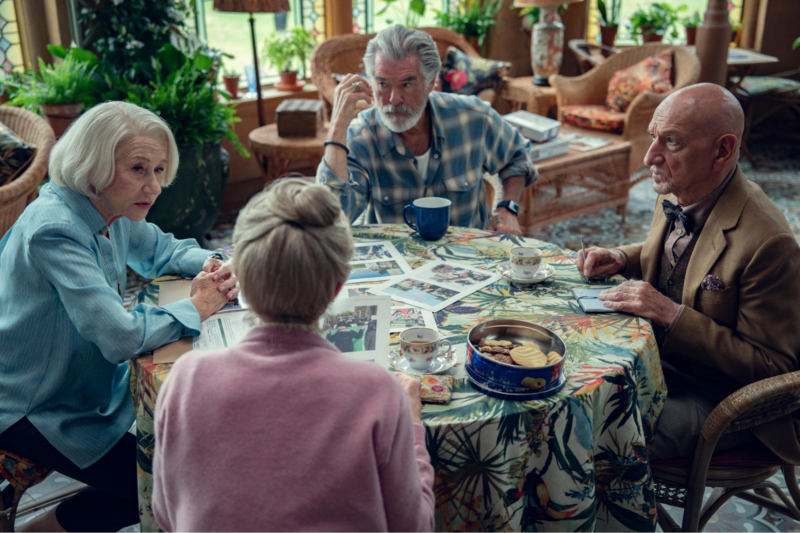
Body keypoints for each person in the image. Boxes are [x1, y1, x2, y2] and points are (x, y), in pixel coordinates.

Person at [0, 101, 238, 533]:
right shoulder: (56, 228)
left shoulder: (109, 205)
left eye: (160, 170)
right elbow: (120, 338)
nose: (155, 185)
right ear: (93, 165)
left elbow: (166, 251)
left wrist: (220, 263)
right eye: (139, 168)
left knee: (184, 454)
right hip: (34, 406)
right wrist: (199, 306)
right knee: (164, 488)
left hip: (85, 385)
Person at [151, 179, 435, 532]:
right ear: (337, 287)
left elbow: (166, 514)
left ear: (240, 280)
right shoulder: (378, 391)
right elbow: (415, 527)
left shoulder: (185, 378)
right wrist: (411, 426)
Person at [577, 84, 800, 462]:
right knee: (570, 383)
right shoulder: (679, 187)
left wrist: (670, 314)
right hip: (659, 365)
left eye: (672, 142)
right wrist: (620, 256)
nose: (650, 157)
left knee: (601, 434)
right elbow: (679, 256)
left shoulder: (769, 242)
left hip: (723, 399)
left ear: (722, 151)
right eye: (653, 137)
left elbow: (775, 369)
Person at [316, 24, 539, 236]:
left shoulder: (473, 117)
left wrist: (507, 208)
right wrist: (337, 127)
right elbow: (331, 221)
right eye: (383, 84)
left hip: (470, 261)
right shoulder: (360, 137)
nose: (394, 99)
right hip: (397, 270)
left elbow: (517, 156)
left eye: (406, 84)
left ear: (431, 82)